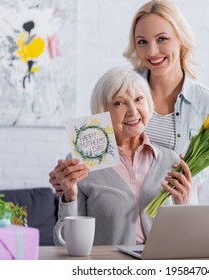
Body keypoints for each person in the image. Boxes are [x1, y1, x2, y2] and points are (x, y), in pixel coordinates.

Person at [51, 67, 193, 245]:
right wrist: (70, 195)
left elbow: (187, 240)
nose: (133, 111)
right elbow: (65, 243)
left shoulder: (170, 160)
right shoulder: (82, 163)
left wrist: (184, 204)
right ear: (102, 111)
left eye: (139, 99)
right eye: (119, 103)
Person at [123, 0, 209, 198]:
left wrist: (187, 175)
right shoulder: (122, 91)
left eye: (162, 39)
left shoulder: (206, 102)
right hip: (127, 216)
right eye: (142, 41)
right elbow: (102, 155)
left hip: (177, 213)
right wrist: (73, 178)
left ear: (181, 39)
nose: (152, 51)